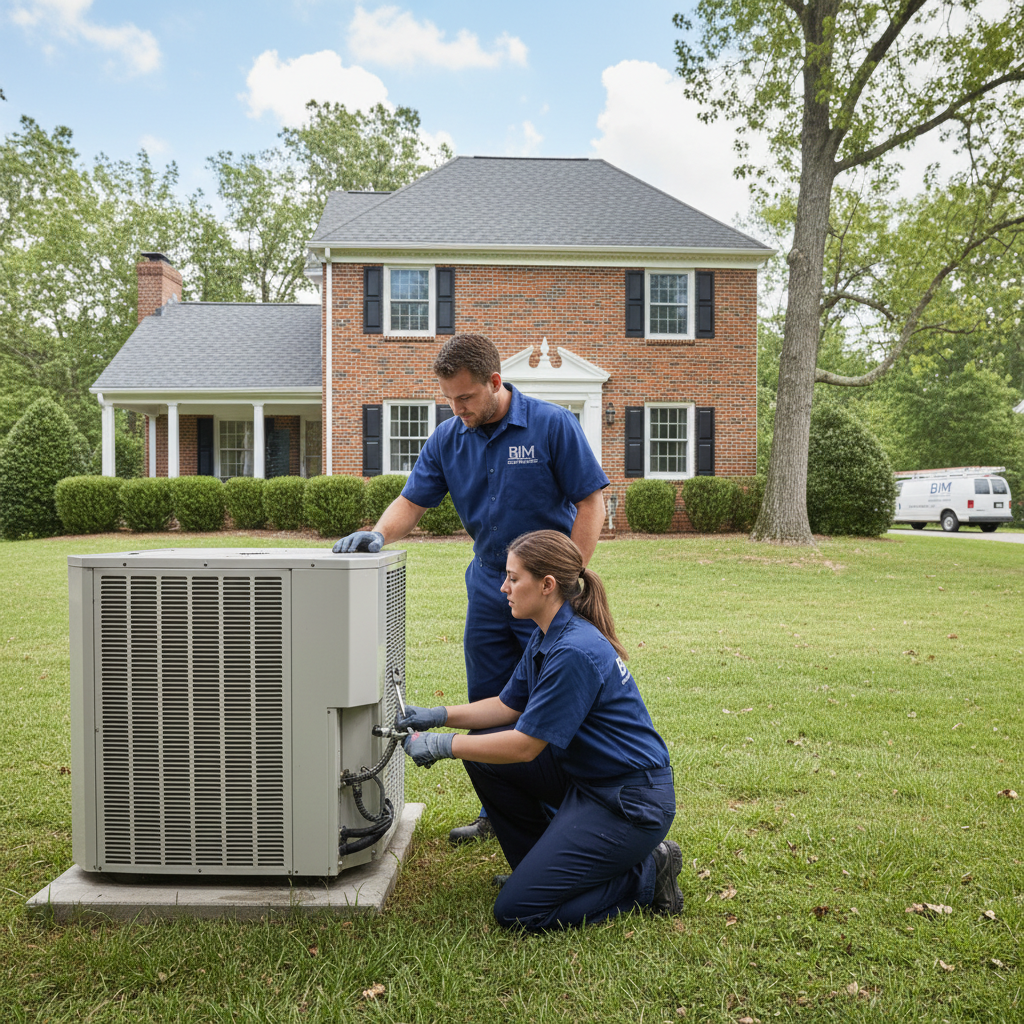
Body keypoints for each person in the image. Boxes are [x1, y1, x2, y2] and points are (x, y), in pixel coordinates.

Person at [333, 334, 609, 843]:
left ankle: (568, 809)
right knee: (489, 697)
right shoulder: (447, 439)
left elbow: (591, 503)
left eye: (466, 398)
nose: (457, 409)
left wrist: (566, 579)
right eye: (450, 400)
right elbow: (412, 500)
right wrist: (377, 533)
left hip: (546, 589)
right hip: (488, 585)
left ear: (495, 383)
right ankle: (498, 809)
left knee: (553, 696)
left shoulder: (551, 425)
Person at [396, 530, 683, 931]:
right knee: (483, 758)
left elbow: (525, 747)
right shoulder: (548, 633)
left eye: (514, 578)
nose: (503, 587)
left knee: (517, 912)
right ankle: (539, 871)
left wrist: (445, 745)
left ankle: (648, 872)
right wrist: (438, 715)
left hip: (628, 803)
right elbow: (506, 706)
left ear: (547, 585)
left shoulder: (573, 651)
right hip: (588, 781)